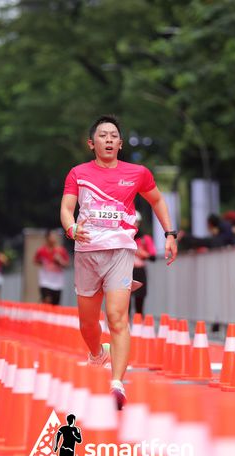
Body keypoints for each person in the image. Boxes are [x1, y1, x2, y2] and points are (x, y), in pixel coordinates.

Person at [60, 114, 178, 410]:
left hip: (121, 250)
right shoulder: (78, 173)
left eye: (114, 136)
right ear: (92, 143)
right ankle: (97, 352)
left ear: (121, 144)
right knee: (88, 323)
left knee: (117, 317)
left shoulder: (137, 173)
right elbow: (66, 208)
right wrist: (71, 228)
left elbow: (157, 200)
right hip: (87, 252)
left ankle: (117, 384)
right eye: (103, 135)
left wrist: (170, 233)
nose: (109, 140)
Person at [34, 229, 69, 305]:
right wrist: (43, 262)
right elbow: (36, 261)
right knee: (47, 300)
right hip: (45, 282)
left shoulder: (61, 251)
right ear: (47, 238)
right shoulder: (41, 250)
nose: (54, 238)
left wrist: (60, 261)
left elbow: (67, 265)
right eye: (52, 236)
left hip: (57, 283)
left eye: (54, 236)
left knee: (55, 305)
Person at [132, 212, 156, 315]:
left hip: (139, 271)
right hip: (125, 271)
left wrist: (142, 253)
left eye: (136, 222)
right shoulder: (123, 237)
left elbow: (153, 257)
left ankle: (138, 321)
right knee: (125, 297)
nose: (134, 224)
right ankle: (125, 321)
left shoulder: (145, 239)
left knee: (140, 298)